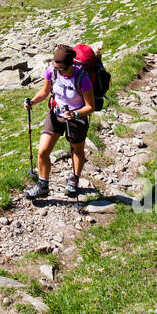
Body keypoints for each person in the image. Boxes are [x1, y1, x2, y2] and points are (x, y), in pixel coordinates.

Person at [24, 43, 95, 199]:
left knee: (77, 150)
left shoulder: (82, 79)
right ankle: (43, 185)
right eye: (56, 68)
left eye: (61, 69)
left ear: (70, 65)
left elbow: (90, 107)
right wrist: (33, 101)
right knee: (43, 150)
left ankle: (74, 179)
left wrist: (75, 114)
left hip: (77, 119)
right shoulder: (52, 72)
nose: (58, 71)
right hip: (55, 114)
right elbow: (44, 91)